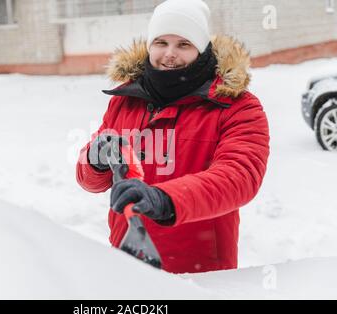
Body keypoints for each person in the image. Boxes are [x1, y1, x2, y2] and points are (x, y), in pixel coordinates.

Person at [76, 0, 270, 274]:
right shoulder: (125, 100)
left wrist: (165, 199)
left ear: (202, 50)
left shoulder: (236, 106)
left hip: (199, 274)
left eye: (183, 44)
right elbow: (90, 181)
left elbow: (239, 176)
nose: (169, 54)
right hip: (129, 264)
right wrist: (93, 160)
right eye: (161, 42)